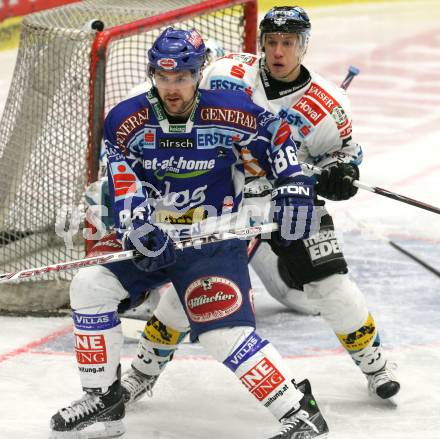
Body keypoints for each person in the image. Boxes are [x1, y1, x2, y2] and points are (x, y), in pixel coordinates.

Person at [49, 27, 329, 439]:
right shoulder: (126, 121)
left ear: (198, 74)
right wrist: (139, 228)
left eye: (181, 78)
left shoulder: (231, 110)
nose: (171, 88)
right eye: (163, 79)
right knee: (90, 285)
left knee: (221, 333)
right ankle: (104, 402)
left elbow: (279, 135)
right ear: (152, 75)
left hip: (212, 235)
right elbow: (122, 183)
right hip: (155, 232)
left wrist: (293, 183)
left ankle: (299, 413)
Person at [121, 5, 400, 411]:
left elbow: (344, 155)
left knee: (329, 286)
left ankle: (375, 366)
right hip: (225, 199)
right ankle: (142, 373)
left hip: (290, 202)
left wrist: (340, 172)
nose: (278, 52)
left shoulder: (329, 104)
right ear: (260, 44)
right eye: (271, 42)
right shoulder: (227, 73)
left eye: (288, 43)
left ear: (303, 46)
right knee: (191, 292)